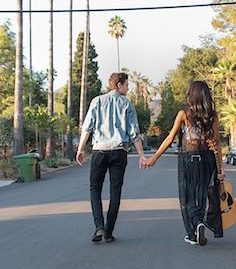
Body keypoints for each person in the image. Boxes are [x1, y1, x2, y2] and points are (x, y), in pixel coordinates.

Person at [144, 81, 225, 246]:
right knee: (202, 195)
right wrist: (220, 168)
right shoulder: (212, 116)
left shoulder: (184, 114)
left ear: (191, 95)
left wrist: (154, 158)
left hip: (191, 159)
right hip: (208, 160)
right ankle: (198, 228)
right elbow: (217, 143)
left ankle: (196, 225)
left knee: (188, 196)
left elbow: (170, 138)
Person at [76, 72, 147, 243]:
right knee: (115, 191)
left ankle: (99, 226)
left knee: (95, 189)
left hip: (99, 151)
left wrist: (80, 150)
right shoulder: (126, 104)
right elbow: (134, 133)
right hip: (119, 152)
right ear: (119, 85)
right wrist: (142, 155)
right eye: (126, 85)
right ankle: (108, 231)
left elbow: (87, 128)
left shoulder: (97, 101)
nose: (128, 88)